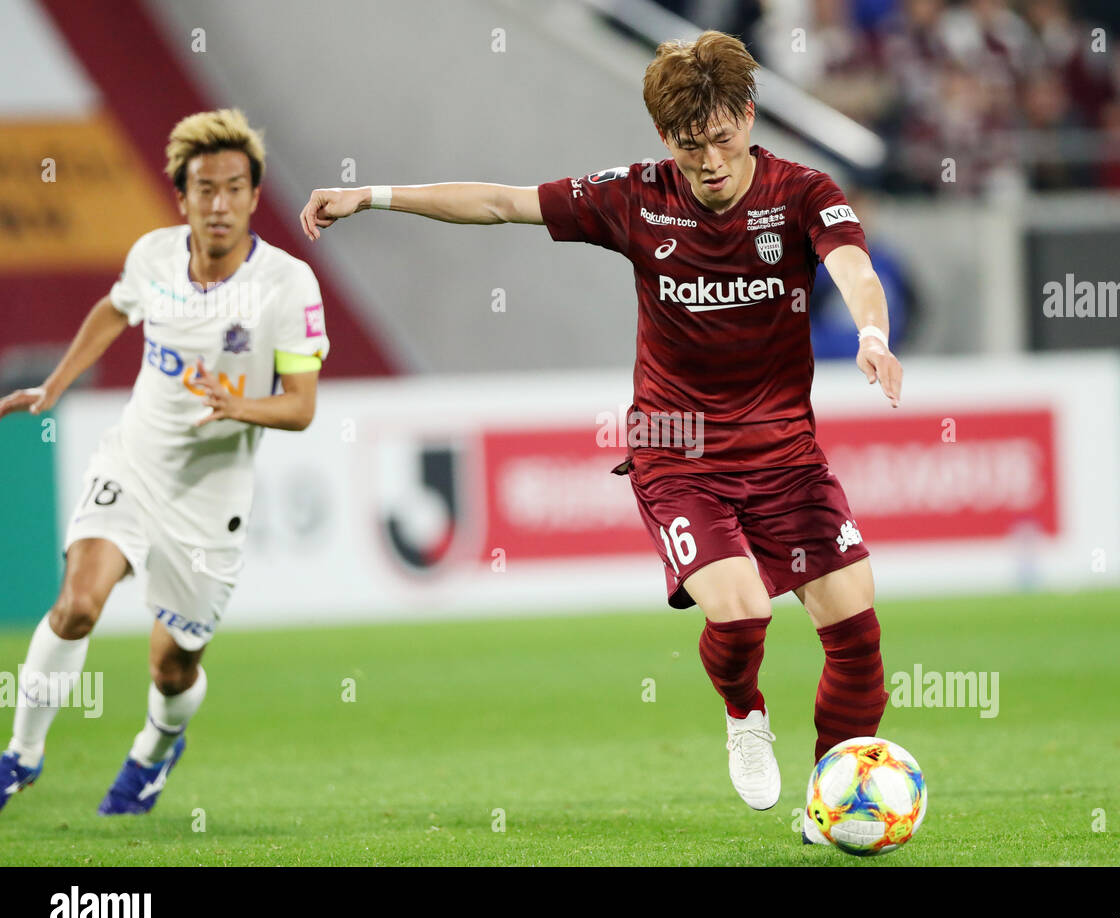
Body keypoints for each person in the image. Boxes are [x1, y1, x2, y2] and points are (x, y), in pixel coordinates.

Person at [298, 32, 901, 845]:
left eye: (723, 140)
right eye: (691, 148)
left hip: (789, 456)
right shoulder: (633, 198)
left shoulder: (802, 192)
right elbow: (501, 202)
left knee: (858, 639)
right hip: (676, 449)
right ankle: (743, 710)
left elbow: (855, 270)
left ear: (749, 119)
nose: (711, 162)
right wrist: (372, 194)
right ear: (666, 140)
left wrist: (871, 336)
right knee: (745, 610)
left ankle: (830, 806)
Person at [0, 108, 328, 815]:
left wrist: (240, 405)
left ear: (253, 195)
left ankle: (154, 747)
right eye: (204, 188)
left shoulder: (288, 284)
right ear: (181, 196)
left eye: (235, 188)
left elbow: (301, 406)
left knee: (172, 666)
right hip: (133, 461)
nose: (219, 203)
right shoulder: (153, 256)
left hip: (212, 498)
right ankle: (19, 756)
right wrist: (55, 385)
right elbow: (115, 310)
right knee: (76, 606)